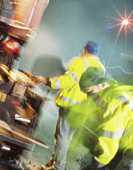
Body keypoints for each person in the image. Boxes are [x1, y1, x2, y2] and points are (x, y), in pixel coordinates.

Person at [34, 41, 105, 169]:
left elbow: (68, 80)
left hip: (70, 107)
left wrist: (48, 81)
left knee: (61, 138)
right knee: (67, 138)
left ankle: (57, 167)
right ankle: (54, 163)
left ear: (85, 50)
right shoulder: (101, 67)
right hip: (85, 109)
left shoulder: (81, 62)